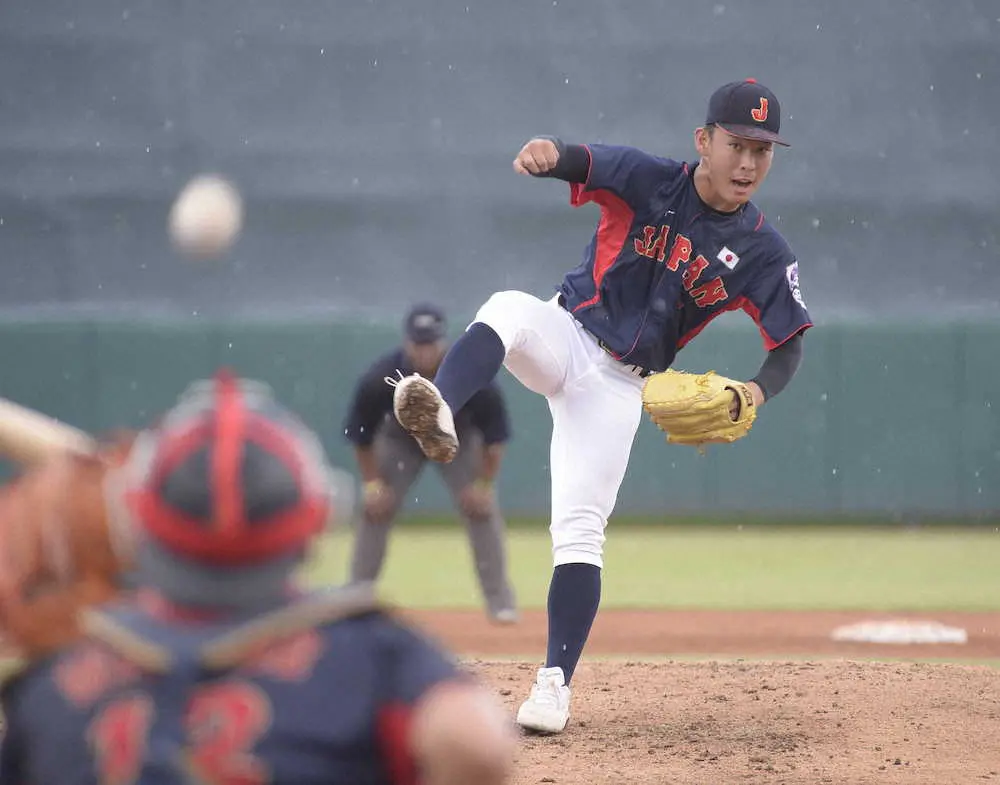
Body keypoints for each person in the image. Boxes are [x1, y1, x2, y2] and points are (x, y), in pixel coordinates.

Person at [389, 79, 813, 734]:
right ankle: (438, 407)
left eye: (764, 149)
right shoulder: (651, 180)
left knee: (581, 530)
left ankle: (553, 686)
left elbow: (788, 343)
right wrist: (546, 153)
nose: (750, 162)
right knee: (507, 309)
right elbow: (585, 160)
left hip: (621, 386)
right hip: (565, 334)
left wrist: (754, 390)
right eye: (738, 144)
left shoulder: (763, 250)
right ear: (704, 141)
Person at [0, 371, 515, 785]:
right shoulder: (368, 657)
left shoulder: (57, 682)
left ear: (138, 526)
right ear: (315, 521)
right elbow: (473, 744)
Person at [344, 303, 518, 624]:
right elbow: (360, 436)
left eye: (431, 343)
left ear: (443, 342)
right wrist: (372, 485)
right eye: (418, 343)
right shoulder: (381, 376)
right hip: (400, 440)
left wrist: (483, 484)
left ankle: (500, 603)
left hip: (458, 437)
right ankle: (356, 597)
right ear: (406, 342)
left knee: (481, 510)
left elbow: (496, 437)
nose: (424, 352)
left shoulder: (469, 372)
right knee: (376, 508)